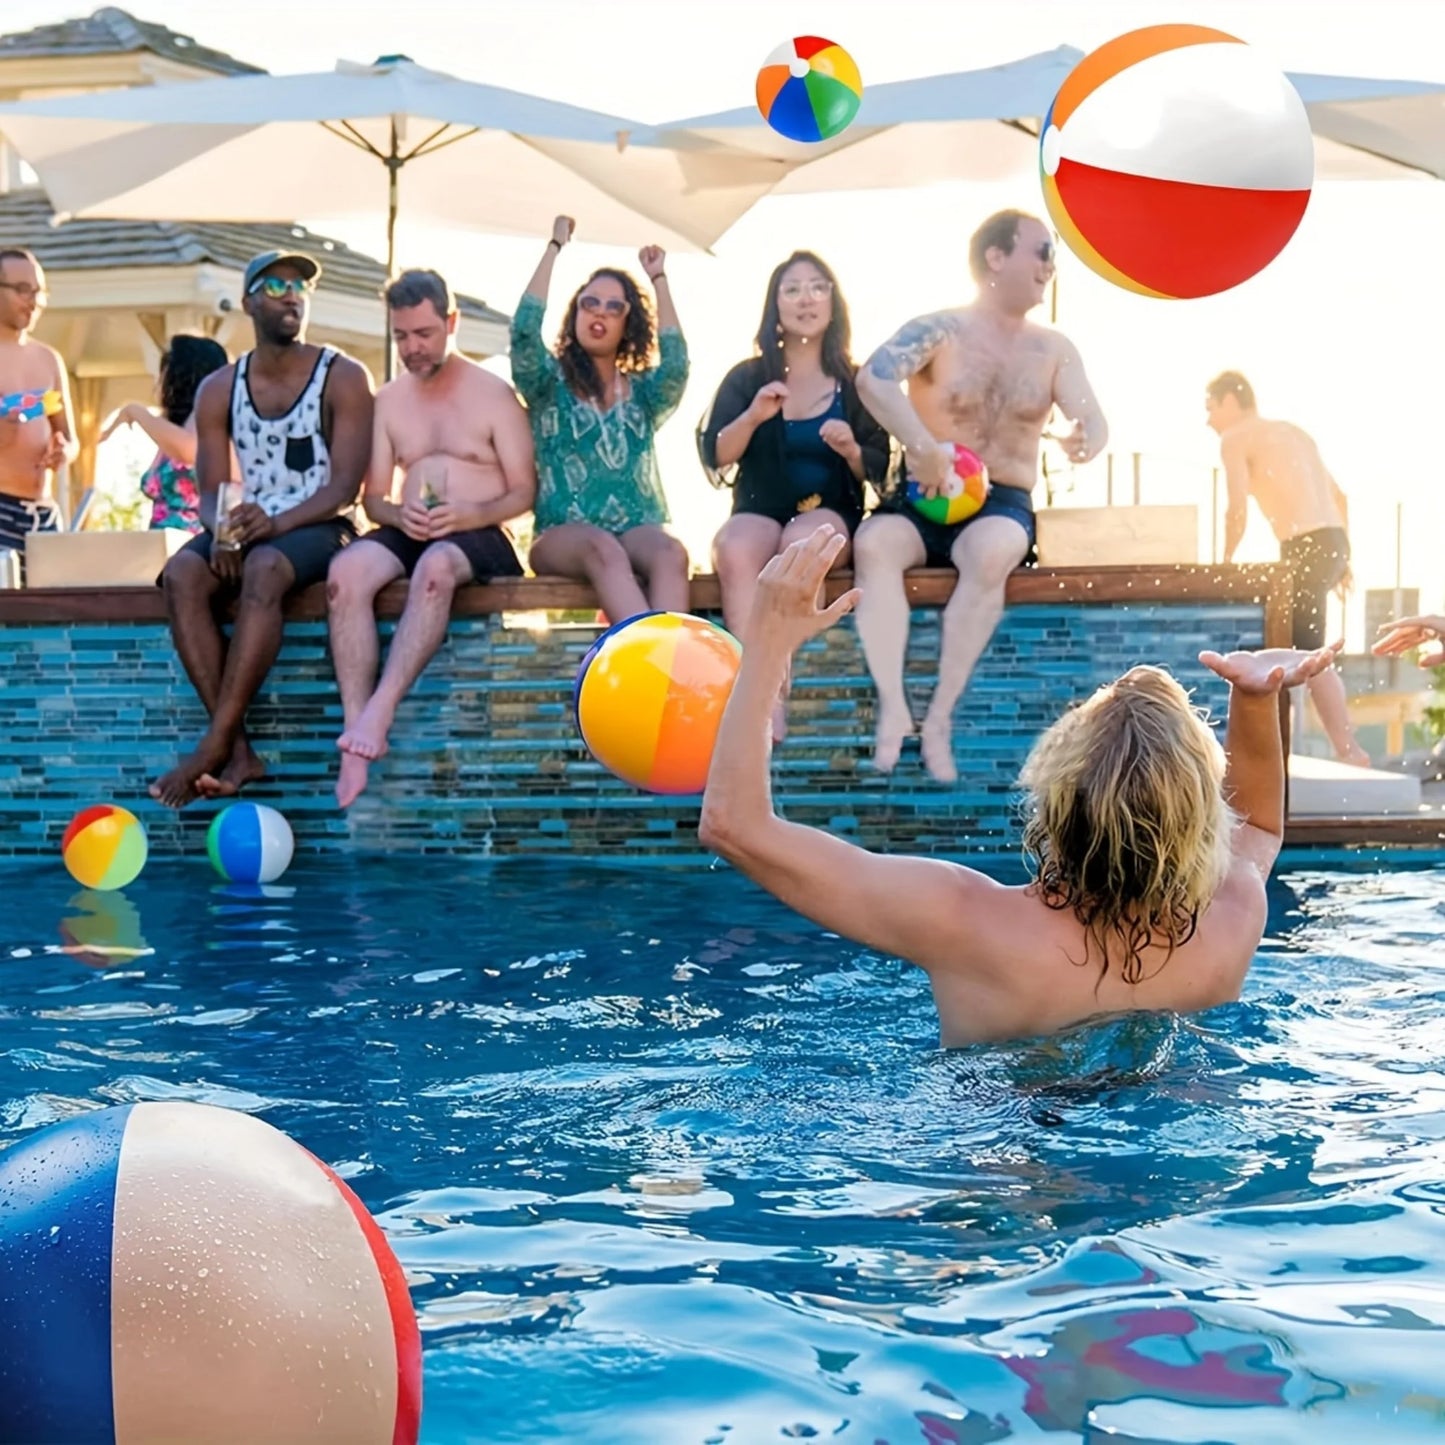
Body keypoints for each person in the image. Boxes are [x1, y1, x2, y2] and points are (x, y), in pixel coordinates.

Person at [698, 525, 1343, 1048]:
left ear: (1056, 796)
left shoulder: (965, 920)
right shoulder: (1231, 916)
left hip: (999, 1139)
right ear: (1199, 818)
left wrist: (769, 645)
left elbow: (735, 826)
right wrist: (1255, 699)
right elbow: (1258, 827)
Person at [853, 210, 1108, 784]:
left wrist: (1083, 436)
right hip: (922, 490)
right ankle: (894, 705)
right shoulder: (939, 329)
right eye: (1041, 251)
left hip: (1001, 502)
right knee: (873, 544)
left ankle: (938, 717)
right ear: (996, 257)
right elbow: (872, 378)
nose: (1050, 265)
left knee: (992, 551)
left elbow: (1092, 418)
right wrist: (922, 447)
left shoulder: (1054, 349)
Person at [149, 250, 373, 808]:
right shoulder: (220, 388)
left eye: (300, 287)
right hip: (253, 524)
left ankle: (214, 743)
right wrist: (224, 534)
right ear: (249, 300)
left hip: (320, 523)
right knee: (183, 573)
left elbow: (345, 487)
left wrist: (271, 525)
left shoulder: (342, 376)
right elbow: (210, 491)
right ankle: (240, 750)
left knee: (267, 567)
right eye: (276, 285)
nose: (291, 294)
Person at [327, 269, 537, 808]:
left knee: (437, 568)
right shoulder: (390, 399)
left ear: (451, 322)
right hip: (414, 528)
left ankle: (383, 707)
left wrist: (471, 514)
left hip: (482, 533)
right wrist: (399, 516)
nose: (412, 348)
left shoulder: (494, 395)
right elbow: (374, 499)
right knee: (345, 573)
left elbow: (524, 492)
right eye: (400, 337)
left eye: (423, 334)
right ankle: (356, 729)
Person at [699, 251, 891, 739]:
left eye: (817, 286)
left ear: (833, 301)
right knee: (736, 548)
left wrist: (850, 448)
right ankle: (753, 694)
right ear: (775, 305)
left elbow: (879, 464)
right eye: (792, 288)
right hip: (759, 507)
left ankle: (776, 688)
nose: (805, 298)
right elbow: (718, 452)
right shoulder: (748, 377)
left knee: (803, 548)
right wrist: (754, 416)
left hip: (825, 508)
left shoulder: (854, 380)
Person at [510, 215, 690, 624]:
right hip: (562, 534)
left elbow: (677, 364)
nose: (600, 312)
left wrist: (659, 278)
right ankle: (650, 664)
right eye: (589, 302)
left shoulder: (644, 394)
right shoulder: (546, 382)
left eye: (614, 307)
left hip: (636, 526)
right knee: (601, 546)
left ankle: (667, 670)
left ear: (627, 324)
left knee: (671, 553)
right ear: (575, 312)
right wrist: (553, 247)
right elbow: (523, 331)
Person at [1206, 370, 1370, 768]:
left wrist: (1224, 565)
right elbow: (1338, 496)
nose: (1208, 420)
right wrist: (1343, 561)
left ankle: (1349, 752)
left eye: (1210, 408)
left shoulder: (1236, 438)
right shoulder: (1292, 432)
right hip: (1331, 540)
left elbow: (1236, 510)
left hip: (1304, 546)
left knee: (1306, 653)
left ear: (1231, 401)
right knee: (1293, 648)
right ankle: (1289, 749)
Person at [101, 334, 230, 532]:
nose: (159, 379)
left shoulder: (208, 416)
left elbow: (190, 449)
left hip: (197, 547)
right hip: (161, 546)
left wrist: (136, 412)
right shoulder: (172, 426)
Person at [0, 247, 78, 571]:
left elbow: (69, 438)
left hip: (43, 515)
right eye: (22, 290)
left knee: (49, 613)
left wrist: (64, 450)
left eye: (38, 292)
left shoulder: (49, 359)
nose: (33, 300)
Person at [1373, 613, 1445, 667]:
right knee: (1408, 633)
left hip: (1427, 626)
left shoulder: (1438, 624)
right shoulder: (1437, 623)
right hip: (1425, 626)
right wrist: (1390, 626)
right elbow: (1410, 621)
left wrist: (1390, 626)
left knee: (1408, 634)